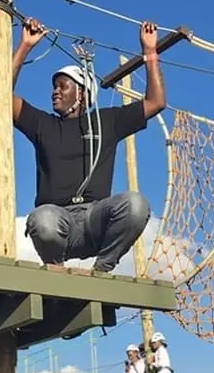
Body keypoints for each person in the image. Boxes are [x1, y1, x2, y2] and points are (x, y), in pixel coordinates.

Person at [12, 18, 165, 273]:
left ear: (82, 94)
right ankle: (56, 271)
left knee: (135, 205)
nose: (55, 92)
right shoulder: (43, 124)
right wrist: (24, 46)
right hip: (59, 222)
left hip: (97, 220)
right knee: (42, 219)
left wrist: (150, 52)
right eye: (54, 87)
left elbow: (156, 102)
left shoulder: (108, 121)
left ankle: (102, 269)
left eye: (63, 86)